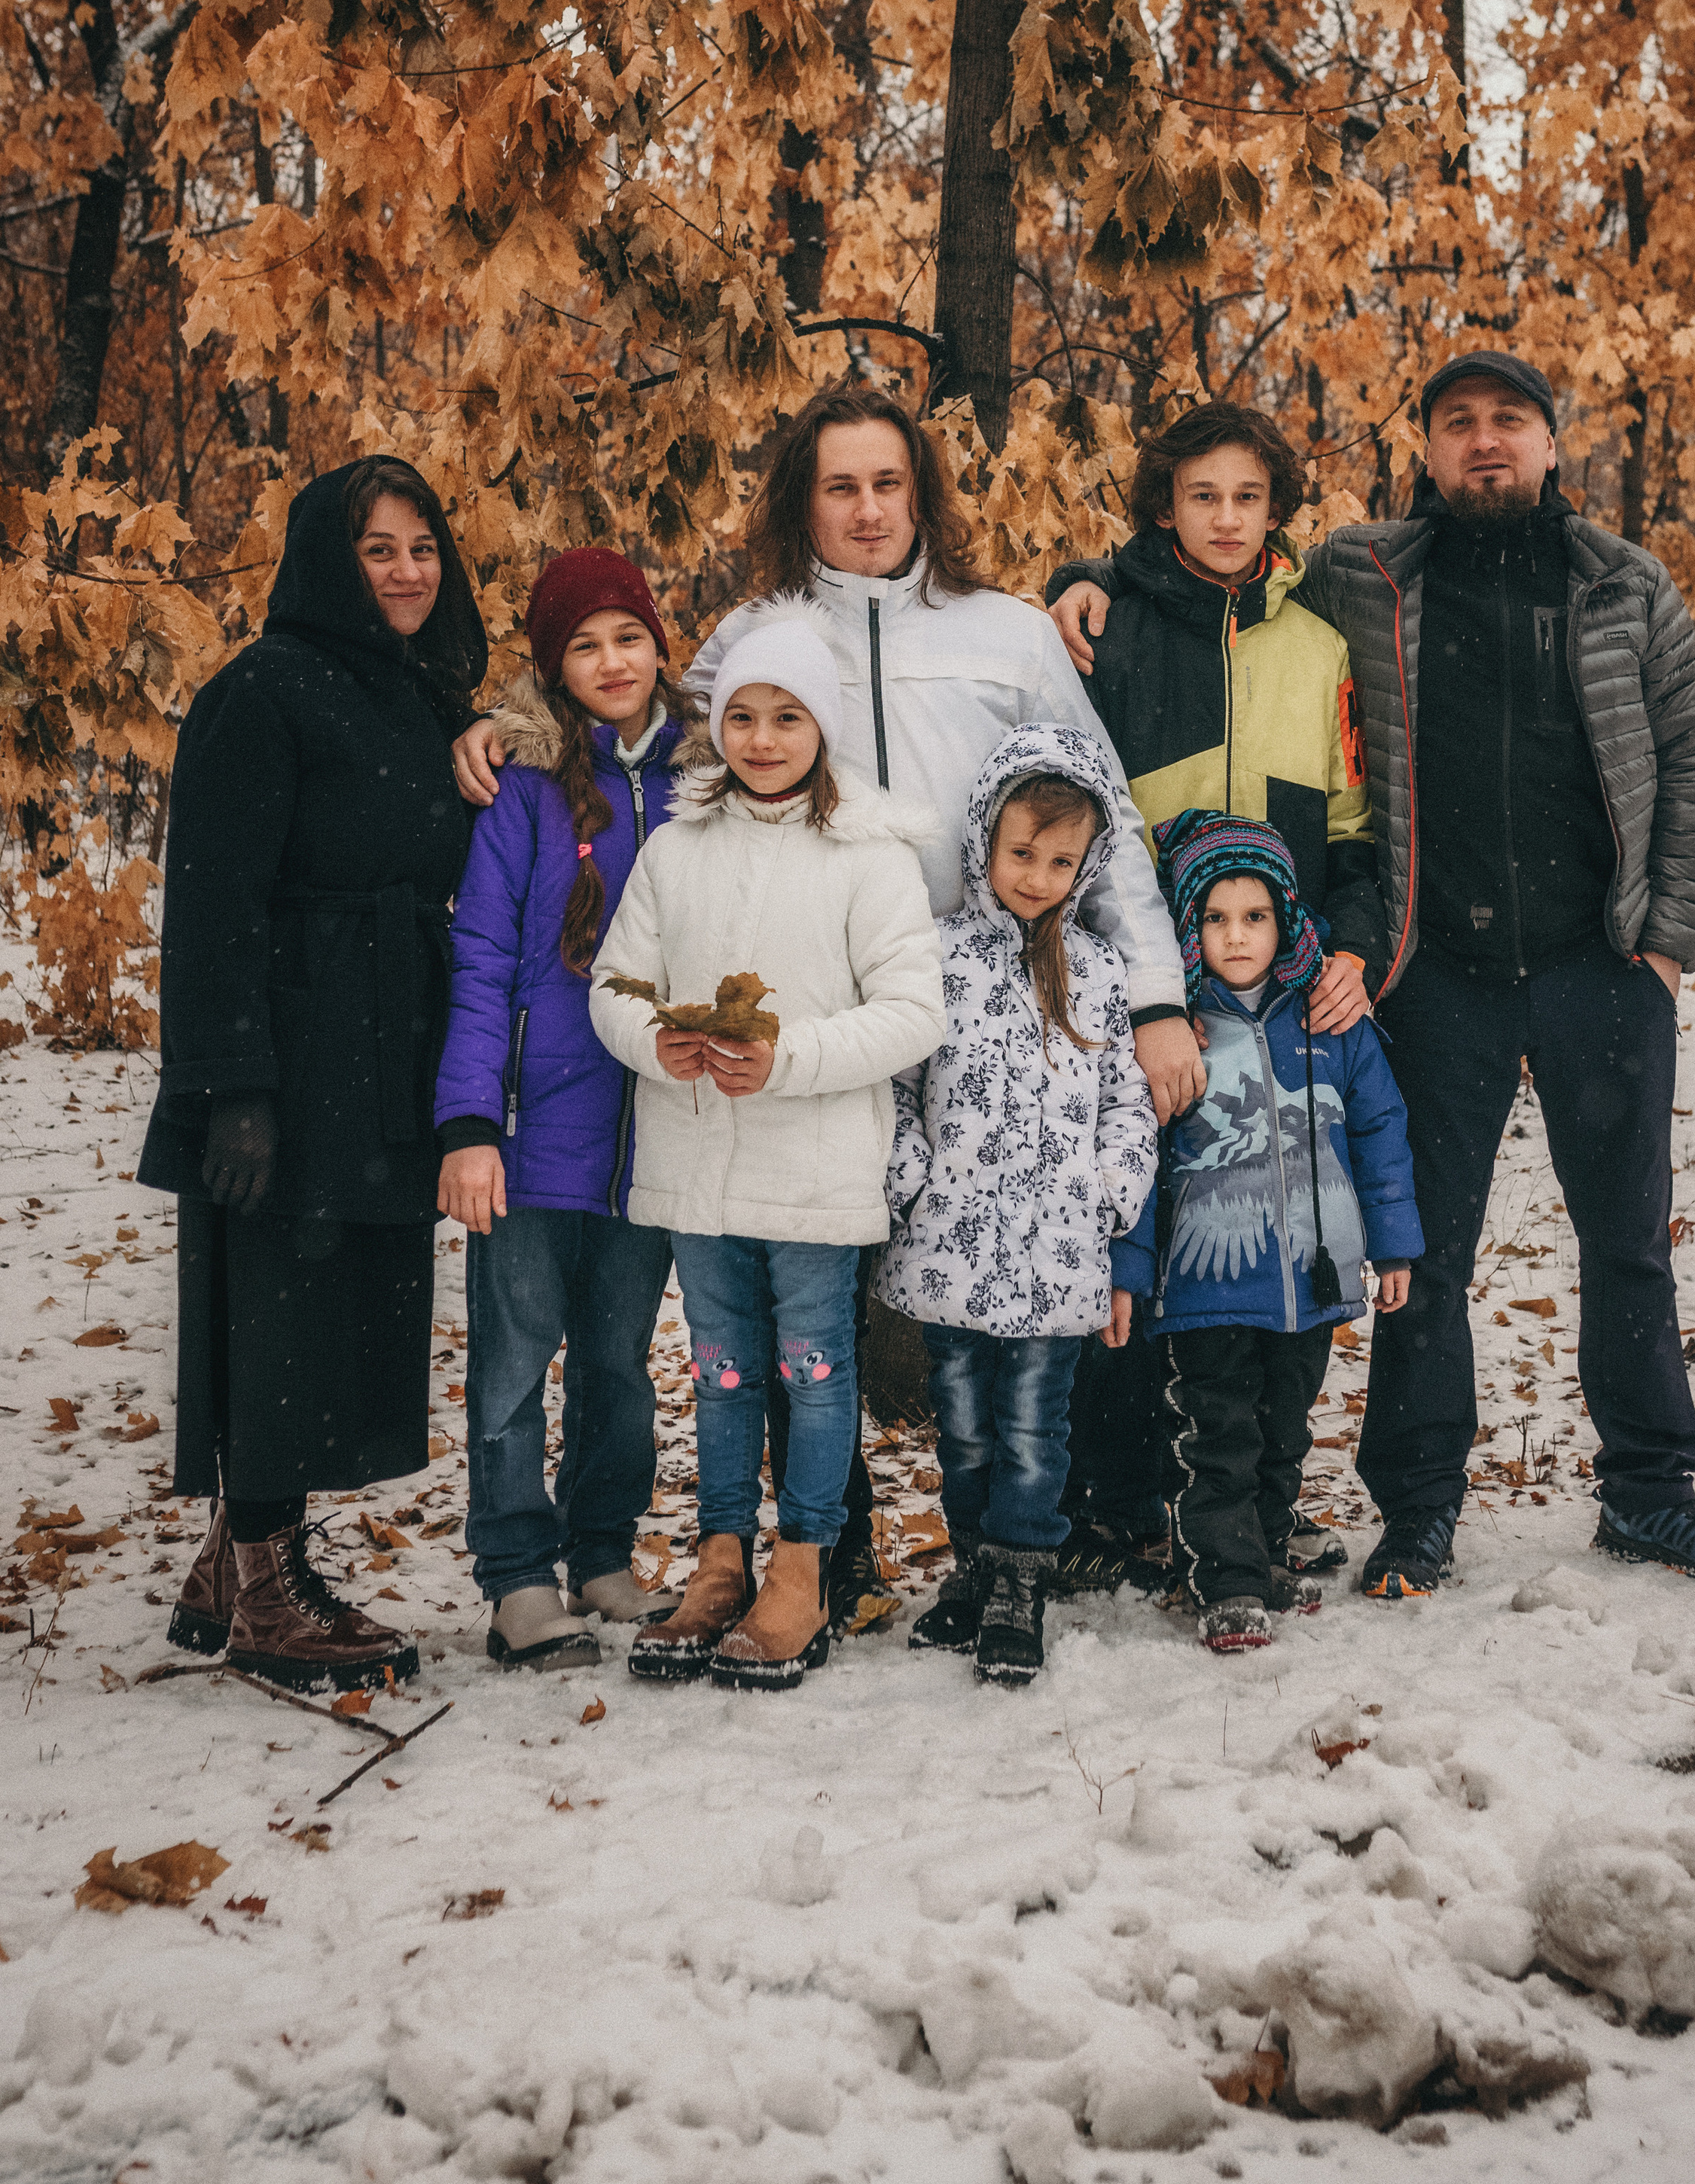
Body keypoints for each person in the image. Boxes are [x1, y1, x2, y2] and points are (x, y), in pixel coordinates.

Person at [454, 383, 1195, 1624]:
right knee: (805, 1291)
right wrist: (504, 726)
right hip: (794, 1021)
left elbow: (1100, 815)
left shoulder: (1009, 635)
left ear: (924, 495)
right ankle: (824, 1548)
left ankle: (1030, 1534)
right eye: (839, 485)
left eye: (888, 483)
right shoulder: (751, 634)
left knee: (1001, 1284)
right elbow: (636, 753)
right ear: (805, 496)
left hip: (981, 1009)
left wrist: (1159, 997)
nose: (865, 509)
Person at [1053, 351, 1695, 1591]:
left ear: (1552, 439)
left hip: (1602, 964)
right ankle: (1420, 1504)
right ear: (1425, 448)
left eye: (1510, 421)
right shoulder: (1366, 573)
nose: (1484, 442)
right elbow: (1204, 570)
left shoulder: (1625, 582)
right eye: (1457, 424)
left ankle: (1652, 1488)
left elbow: (1686, 765)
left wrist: (1665, 944)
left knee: (1628, 1241)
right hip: (1441, 974)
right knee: (1425, 1254)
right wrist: (1076, 583)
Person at [140, 456, 487, 1692]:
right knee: (280, 1302)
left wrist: (483, 728)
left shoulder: (419, 692)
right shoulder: (262, 691)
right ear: (324, 564)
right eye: (376, 551)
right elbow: (215, 897)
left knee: (334, 1304)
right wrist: (232, 1083)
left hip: (386, 1041)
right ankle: (270, 1590)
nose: (404, 572)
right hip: (292, 1052)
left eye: (420, 549)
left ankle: (237, 1559)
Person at [1038, 398, 1383, 1590]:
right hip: (1138, 982)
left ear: (1277, 508)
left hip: (1272, 990)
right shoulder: (1109, 631)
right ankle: (1117, 1502)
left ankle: (1239, 1504)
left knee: (1255, 1242)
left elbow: (1349, 831)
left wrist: (1353, 946)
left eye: (1248, 497)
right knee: (1137, 1227)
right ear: (1163, 507)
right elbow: (1073, 814)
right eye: (1202, 497)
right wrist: (1129, 991)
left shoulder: (1319, 646)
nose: (1227, 519)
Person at [589, 602, 944, 1688]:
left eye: (788, 717)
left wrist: (787, 1057)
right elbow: (614, 982)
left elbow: (912, 1012)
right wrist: (659, 1041)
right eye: (742, 716)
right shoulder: (676, 847)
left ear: (822, 729)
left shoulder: (867, 858)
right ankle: (721, 1559)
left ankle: (806, 1565)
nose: (762, 739)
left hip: (816, 1165)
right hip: (698, 1167)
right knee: (725, 1370)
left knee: (817, 1369)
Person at [433, 549, 687, 1673]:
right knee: (513, 1361)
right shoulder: (523, 793)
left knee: (621, 1362)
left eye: (627, 637)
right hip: (534, 1133)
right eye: (583, 645)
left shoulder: (708, 779)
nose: (611, 661)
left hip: (655, 1134)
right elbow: (482, 959)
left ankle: (599, 1552)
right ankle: (518, 1577)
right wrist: (471, 1125)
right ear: (554, 668)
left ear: (658, 646)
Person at [877, 724, 1159, 1688]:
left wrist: (1110, 1195)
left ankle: (1022, 1577)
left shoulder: (1100, 970)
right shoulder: (938, 956)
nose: (1036, 877)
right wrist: (907, 1176)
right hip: (952, 1244)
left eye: (1059, 861)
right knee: (962, 1423)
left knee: (1037, 1429)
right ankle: (974, 1567)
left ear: (1086, 866)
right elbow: (900, 1085)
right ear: (984, 848)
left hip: (1057, 1255)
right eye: (1020, 854)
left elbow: (1127, 1100)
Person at [1123, 813, 1420, 1652]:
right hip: (1208, 1289)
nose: (1236, 936)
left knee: (1284, 1430)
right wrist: (1130, 1268)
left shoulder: (1327, 1020)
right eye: (1215, 919)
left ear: (1285, 919)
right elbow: (1140, 1161)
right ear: (1188, 928)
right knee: (1223, 1434)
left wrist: (1391, 1244)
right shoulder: (1178, 1032)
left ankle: (1258, 1547)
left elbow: (1380, 1127)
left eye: (1254, 917)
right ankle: (1226, 1580)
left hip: (1312, 1277)